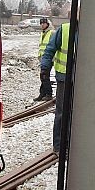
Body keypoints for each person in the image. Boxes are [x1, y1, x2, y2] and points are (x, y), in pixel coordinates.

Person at [40, 21, 71, 154]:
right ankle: (59, 146)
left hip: (85, 81)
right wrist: (45, 67)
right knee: (62, 113)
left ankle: (72, 143)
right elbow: (50, 49)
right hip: (64, 78)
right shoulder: (65, 29)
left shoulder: (92, 30)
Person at [34, 17, 54, 101]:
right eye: (41, 23)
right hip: (43, 59)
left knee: (44, 76)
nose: (42, 25)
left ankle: (48, 94)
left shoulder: (51, 32)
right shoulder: (43, 33)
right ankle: (43, 93)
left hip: (48, 58)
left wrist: (52, 58)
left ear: (47, 24)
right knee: (43, 76)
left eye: (43, 23)